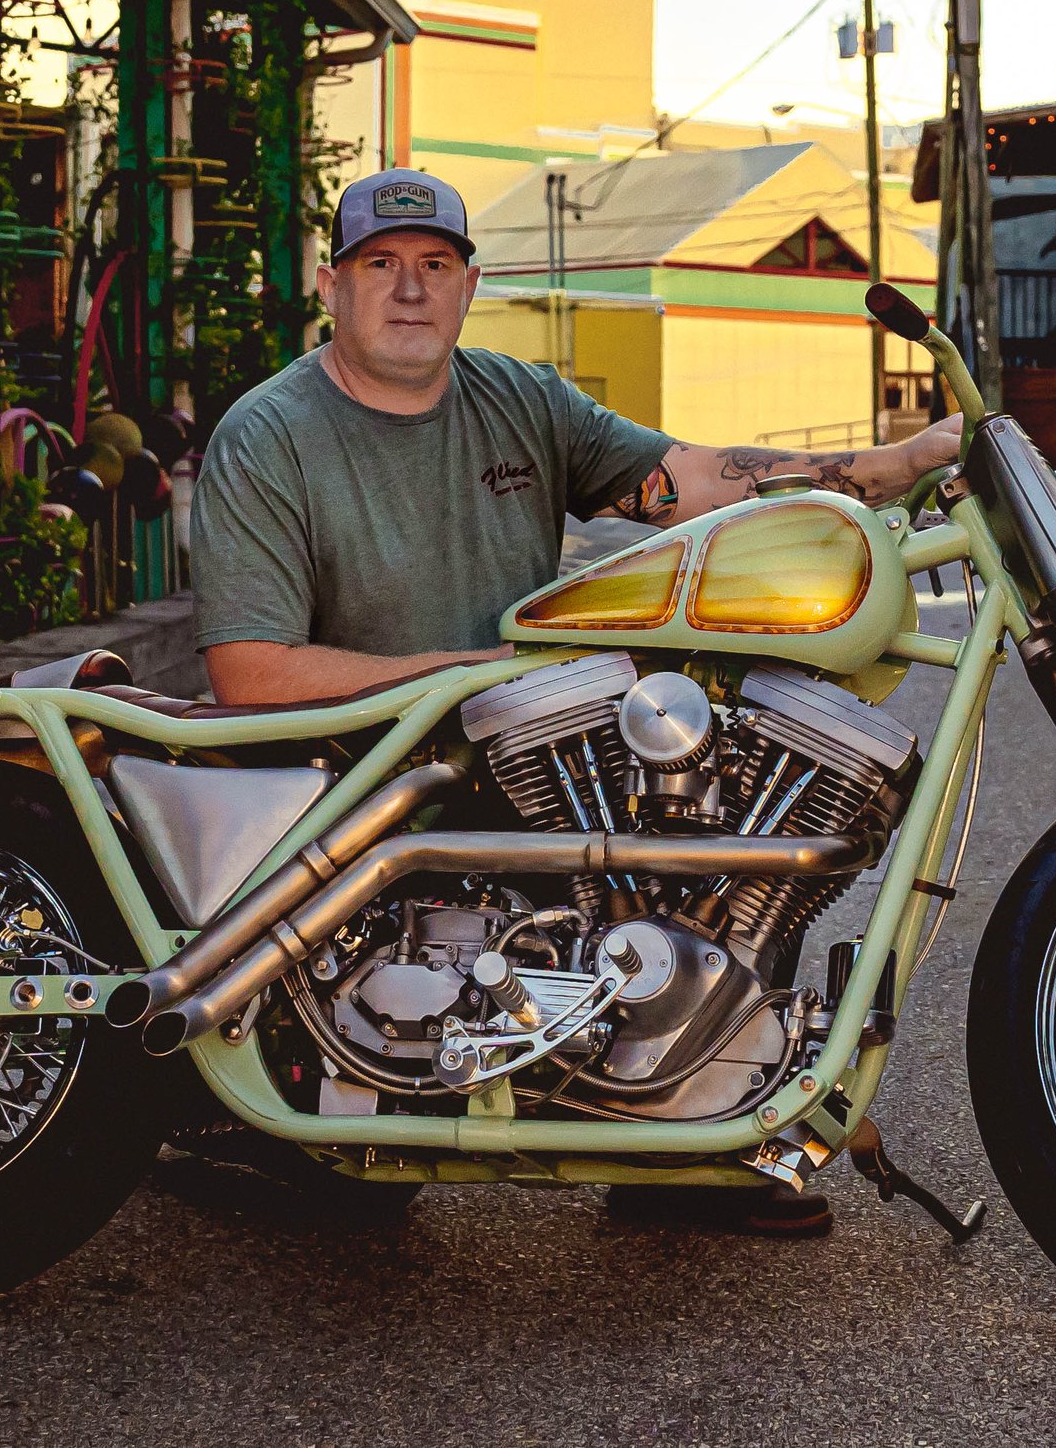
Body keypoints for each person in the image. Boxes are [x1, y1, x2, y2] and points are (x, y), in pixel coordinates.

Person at [190, 168, 962, 1235]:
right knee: (353, 1187)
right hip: (347, 793)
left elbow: (686, 479)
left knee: (714, 769)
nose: (408, 290)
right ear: (332, 285)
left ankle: (678, 1126)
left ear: (468, 285)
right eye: (379, 266)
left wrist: (889, 465)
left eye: (433, 266)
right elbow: (251, 674)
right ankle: (279, 1108)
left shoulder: (516, 399)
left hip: (498, 754)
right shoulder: (268, 433)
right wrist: (458, 677)